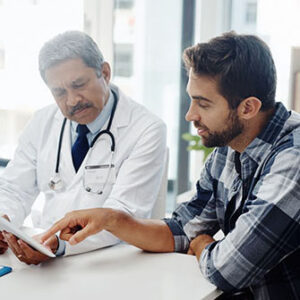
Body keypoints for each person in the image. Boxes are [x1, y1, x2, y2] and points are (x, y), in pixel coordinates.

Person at [42, 32, 300, 300]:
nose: (190, 115)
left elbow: (228, 269)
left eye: (203, 103)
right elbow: (182, 230)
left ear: (247, 108)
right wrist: (109, 219)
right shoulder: (231, 146)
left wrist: (203, 243)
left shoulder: (293, 160)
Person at [0, 31, 167, 264]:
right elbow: (14, 190)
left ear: (105, 73)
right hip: (45, 256)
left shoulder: (146, 129)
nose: (72, 100)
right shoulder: (42, 122)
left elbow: (122, 215)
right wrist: (4, 222)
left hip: (112, 262)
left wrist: (60, 244)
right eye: (59, 92)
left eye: (79, 85)